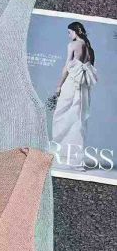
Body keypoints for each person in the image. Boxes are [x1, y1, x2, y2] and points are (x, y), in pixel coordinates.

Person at [52, 21, 97, 168]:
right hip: (83, 86)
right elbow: (90, 68)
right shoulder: (90, 49)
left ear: (75, 31)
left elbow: (66, 67)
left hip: (71, 83)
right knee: (78, 119)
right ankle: (75, 158)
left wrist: (59, 85)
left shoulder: (72, 45)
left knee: (61, 115)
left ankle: (62, 155)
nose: (68, 35)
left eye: (69, 32)